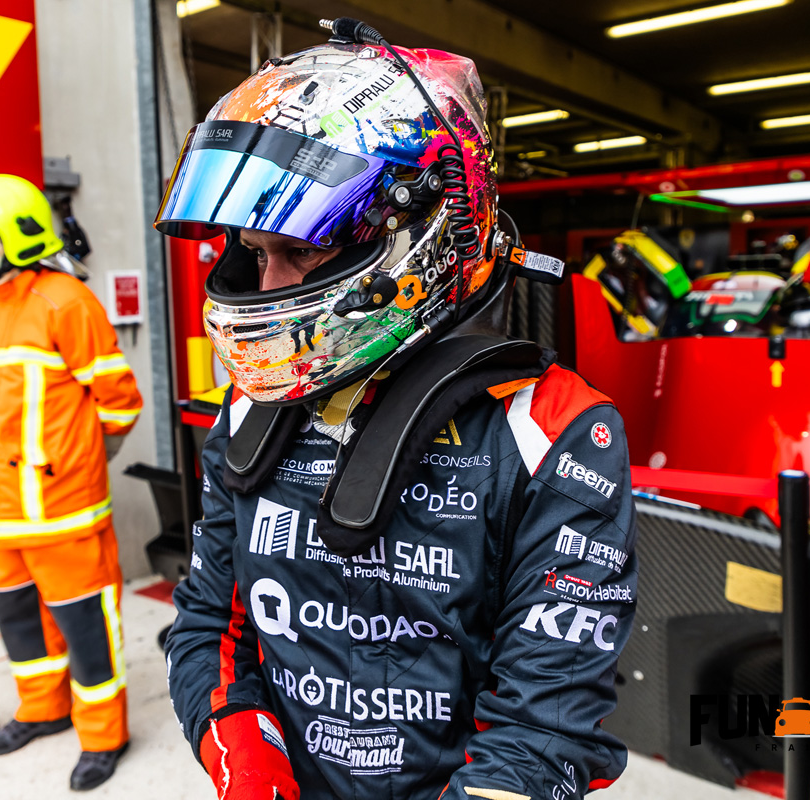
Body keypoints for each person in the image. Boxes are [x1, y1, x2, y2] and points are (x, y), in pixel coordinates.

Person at [156, 30, 638, 800]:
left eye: (300, 250)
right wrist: (242, 755)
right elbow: (210, 624)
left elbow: (546, 723)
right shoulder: (252, 406)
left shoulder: (553, 430)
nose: (266, 284)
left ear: (414, 234)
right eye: (253, 252)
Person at [0, 174, 143, 791]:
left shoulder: (65, 303)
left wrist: (73, 465)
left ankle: (103, 736)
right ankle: (42, 710)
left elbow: (119, 404)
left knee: (86, 628)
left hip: (62, 510)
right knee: (20, 620)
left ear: (18, 238)